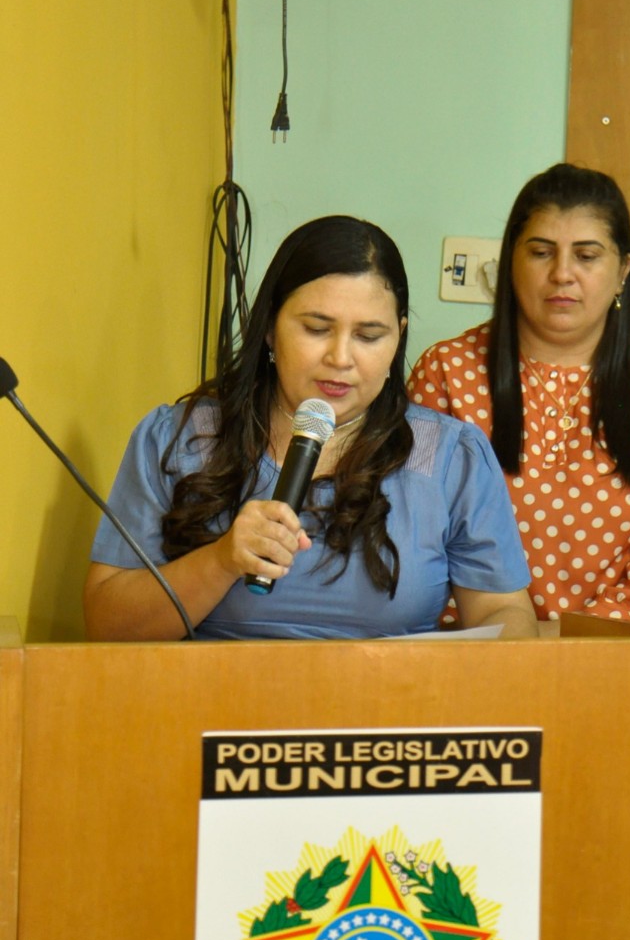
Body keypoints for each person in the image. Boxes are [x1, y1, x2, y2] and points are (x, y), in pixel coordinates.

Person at [84, 215, 538, 641]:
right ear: (269, 329)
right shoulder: (179, 438)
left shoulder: (448, 454)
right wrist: (220, 561)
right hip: (211, 707)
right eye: (317, 328)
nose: (340, 359)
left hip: (389, 710)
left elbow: (505, 613)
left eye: (369, 336)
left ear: (398, 337)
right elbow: (106, 623)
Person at [408, 163, 630, 628]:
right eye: (541, 252)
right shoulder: (447, 373)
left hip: (611, 659)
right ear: (512, 261)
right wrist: (496, 637)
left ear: (623, 271)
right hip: (463, 656)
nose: (562, 274)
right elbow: (410, 531)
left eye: (587, 256)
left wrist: (563, 640)